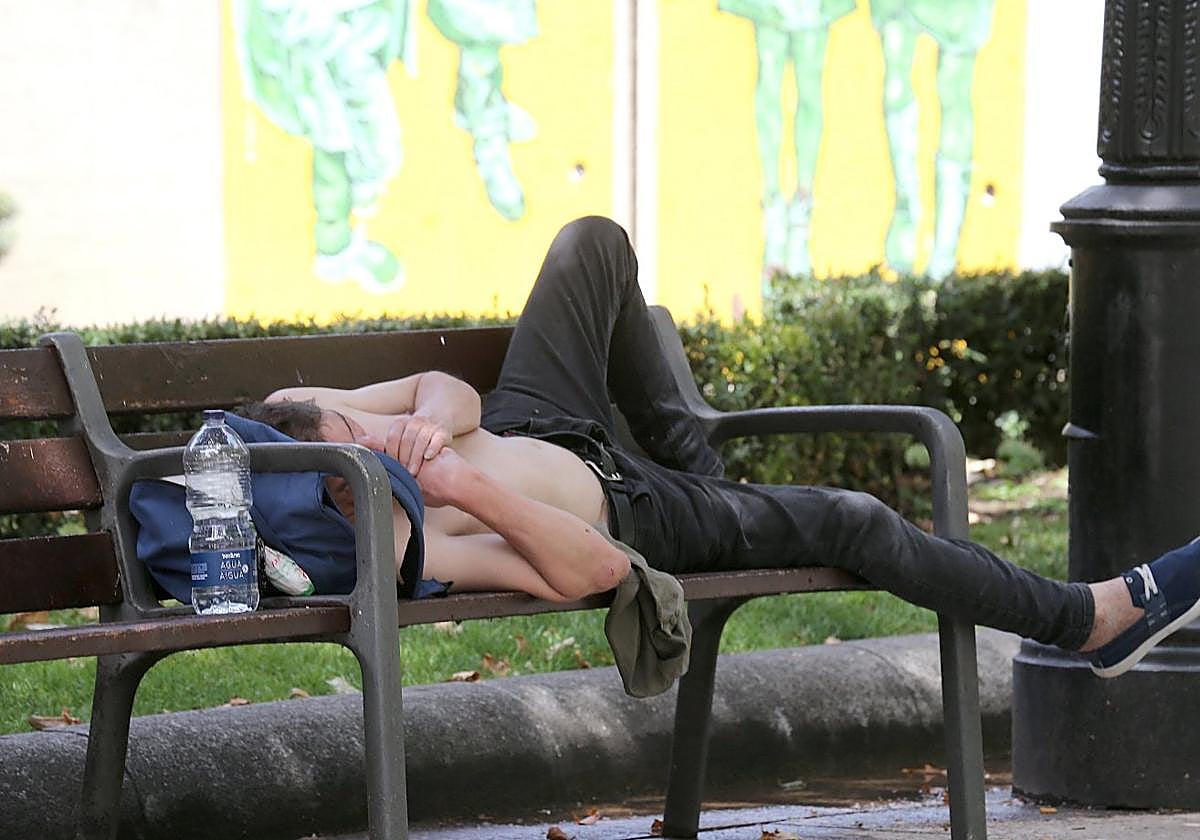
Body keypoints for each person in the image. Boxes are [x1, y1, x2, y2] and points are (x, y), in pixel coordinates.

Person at [247, 216, 1200, 680]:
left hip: (536, 421)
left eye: (356, 425)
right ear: (347, 496)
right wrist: (456, 481)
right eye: (363, 448)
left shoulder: (297, 411)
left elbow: (439, 390)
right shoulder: (412, 542)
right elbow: (597, 570)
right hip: (634, 511)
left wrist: (436, 423)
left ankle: (714, 477)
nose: (374, 435)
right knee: (854, 521)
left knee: (592, 245)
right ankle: (1085, 618)